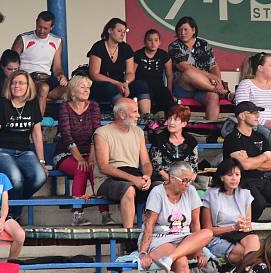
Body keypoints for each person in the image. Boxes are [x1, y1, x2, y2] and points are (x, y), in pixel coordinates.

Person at [137, 162, 212, 273]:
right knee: (182, 262)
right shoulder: (157, 192)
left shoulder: (191, 191)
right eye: (184, 180)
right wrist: (143, 252)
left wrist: (199, 251)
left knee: (207, 233)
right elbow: (149, 225)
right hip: (161, 239)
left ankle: (170, 258)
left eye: (190, 180)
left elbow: (195, 224)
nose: (187, 184)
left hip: (184, 239)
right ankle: (173, 257)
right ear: (171, 178)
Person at [223, 101, 271, 223]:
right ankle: (245, 231)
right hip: (241, 181)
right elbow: (245, 165)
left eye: (257, 113)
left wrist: (251, 160)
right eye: (253, 113)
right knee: (258, 203)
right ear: (242, 116)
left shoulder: (260, 137)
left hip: (261, 180)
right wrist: (264, 157)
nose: (257, 116)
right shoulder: (232, 138)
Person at [0, 70, 45, 219]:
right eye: (14, 83)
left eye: (21, 83)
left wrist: (42, 161)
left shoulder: (32, 105)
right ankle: (13, 215)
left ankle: (9, 204)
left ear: (28, 86)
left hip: (25, 152)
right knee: (16, 179)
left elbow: (37, 135)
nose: (17, 86)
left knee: (40, 176)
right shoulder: (2, 105)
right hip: (3, 151)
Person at [52, 75, 109, 226]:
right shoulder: (65, 107)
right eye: (82, 87)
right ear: (73, 90)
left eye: (88, 87)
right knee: (81, 168)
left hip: (89, 151)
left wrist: (91, 157)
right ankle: (77, 215)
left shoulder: (94, 106)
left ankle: (105, 214)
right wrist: (80, 158)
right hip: (66, 153)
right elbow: (66, 135)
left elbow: (96, 133)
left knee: (95, 169)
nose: (86, 90)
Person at [94, 98, 154, 228]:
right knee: (129, 189)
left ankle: (153, 233)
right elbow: (104, 167)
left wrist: (147, 176)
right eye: (134, 111)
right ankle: (129, 236)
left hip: (134, 175)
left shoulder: (138, 132)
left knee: (160, 187)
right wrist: (133, 179)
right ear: (122, 115)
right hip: (107, 180)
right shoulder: (102, 133)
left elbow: (145, 162)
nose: (138, 115)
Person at [168, 16, 230, 120]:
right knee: (188, 73)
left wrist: (217, 79)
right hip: (184, 87)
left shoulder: (204, 45)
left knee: (213, 97)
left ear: (193, 30)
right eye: (180, 30)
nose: (182, 33)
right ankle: (220, 91)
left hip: (203, 88)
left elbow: (213, 66)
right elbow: (183, 66)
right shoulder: (174, 46)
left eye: (185, 29)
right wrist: (209, 76)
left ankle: (211, 131)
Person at [201, 158, 260, 265]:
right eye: (229, 175)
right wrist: (233, 227)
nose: (234, 179)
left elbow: (248, 225)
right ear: (221, 177)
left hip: (239, 234)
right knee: (244, 254)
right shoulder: (211, 195)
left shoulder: (245, 194)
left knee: (253, 240)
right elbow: (207, 230)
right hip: (217, 236)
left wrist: (242, 226)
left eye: (237, 175)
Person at [87, 18, 151, 113]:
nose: (122, 34)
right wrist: (116, 83)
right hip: (101, 85)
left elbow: (130, 72)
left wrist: (126, 83)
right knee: (110, 87)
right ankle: (126, 115)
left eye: (124, 32)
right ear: (110, 30)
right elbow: (94, 74)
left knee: (141, 84)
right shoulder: (98, 47)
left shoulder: (126, 48)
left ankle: (147, 117)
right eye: (119, 31)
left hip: (121, 84)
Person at [13, 11, 69, 115]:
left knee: (68, 87)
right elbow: (12, 62)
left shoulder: (57, 41)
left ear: (52, 27)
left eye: (45, 28)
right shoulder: (23, 38)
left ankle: (37, 98)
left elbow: (57, 68)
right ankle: (39, 124)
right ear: (36, 23)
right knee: (44, 88)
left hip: (46, 78)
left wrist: (61, 76)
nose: (41, 31)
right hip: (27, 77)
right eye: (39, 27)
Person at [236, 52, 271, 138]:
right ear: (260, 68)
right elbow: (242, 109)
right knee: (270, 135)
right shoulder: (246, 84)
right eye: (270, 65)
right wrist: (264, 122)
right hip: (256, 126)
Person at [148, 105, 199, 181]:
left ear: (184, 124)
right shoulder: (159, 139)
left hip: (185, 180)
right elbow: (157, 167)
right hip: (164, 180)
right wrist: (171, 181)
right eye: (169, 119)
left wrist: (186, 181)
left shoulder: (191, 141)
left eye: (176, 120)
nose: (171, 122)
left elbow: (194, 168)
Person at [131, 29, 175, 114]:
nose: (153, 43)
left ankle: (169, 121)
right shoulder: (138, 54)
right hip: (143, 86)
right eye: (149, 40)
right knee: (145, 91)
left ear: (159, 42)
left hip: (158, 85)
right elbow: (131, 73)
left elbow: (169, 75)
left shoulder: (164, 55)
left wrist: (169, 90)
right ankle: (148, 118)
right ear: (145, 42)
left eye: (156, 40)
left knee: (166, 96)